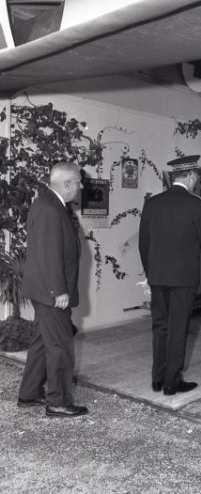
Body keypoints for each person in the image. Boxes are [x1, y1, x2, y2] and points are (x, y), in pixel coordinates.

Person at [139, 155, 201, 395]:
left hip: (158, 276)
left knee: (160, 326)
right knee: (178, 328)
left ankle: (157, 379)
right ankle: (171, 382)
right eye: (196, 178)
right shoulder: (195, 205)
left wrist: (150, 273)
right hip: (184, 278)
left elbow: (144, 244)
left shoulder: (152, 203)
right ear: (192, 176)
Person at [18, 162, 88, 418]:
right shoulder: (50, 208)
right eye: (78, 182)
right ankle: (58, 401)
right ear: (67, 184)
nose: (81, 186)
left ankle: (29, 393)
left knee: (41, 342)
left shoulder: (49, 204)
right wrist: (58, 291)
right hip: (51, 293)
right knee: (60, 346)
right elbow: (49, 254)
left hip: (43, 290)